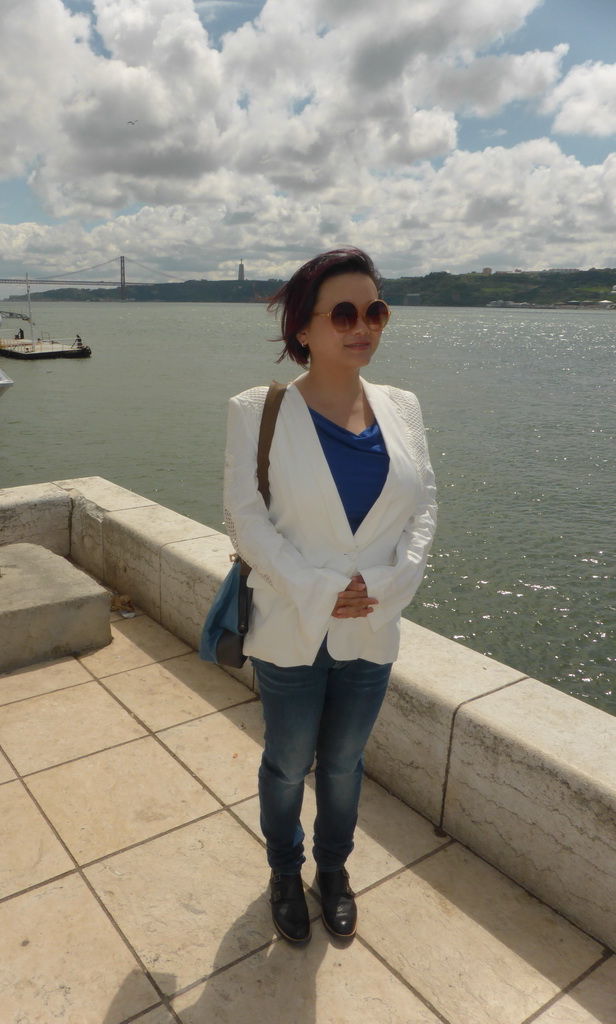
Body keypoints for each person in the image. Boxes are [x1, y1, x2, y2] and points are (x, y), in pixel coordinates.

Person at [223, 247, 437, 944]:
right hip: (292, 623)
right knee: (287, 761)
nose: (363, 325)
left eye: (375, 310)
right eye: (343, 312)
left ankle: (333, 871)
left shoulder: (403, 407)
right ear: (303, 329)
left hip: (372, 627)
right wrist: (319, 589)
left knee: (344, 762)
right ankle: (285, 869)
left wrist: (380, 588)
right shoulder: (258, 410)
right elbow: (245, 518)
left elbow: (424, 507)